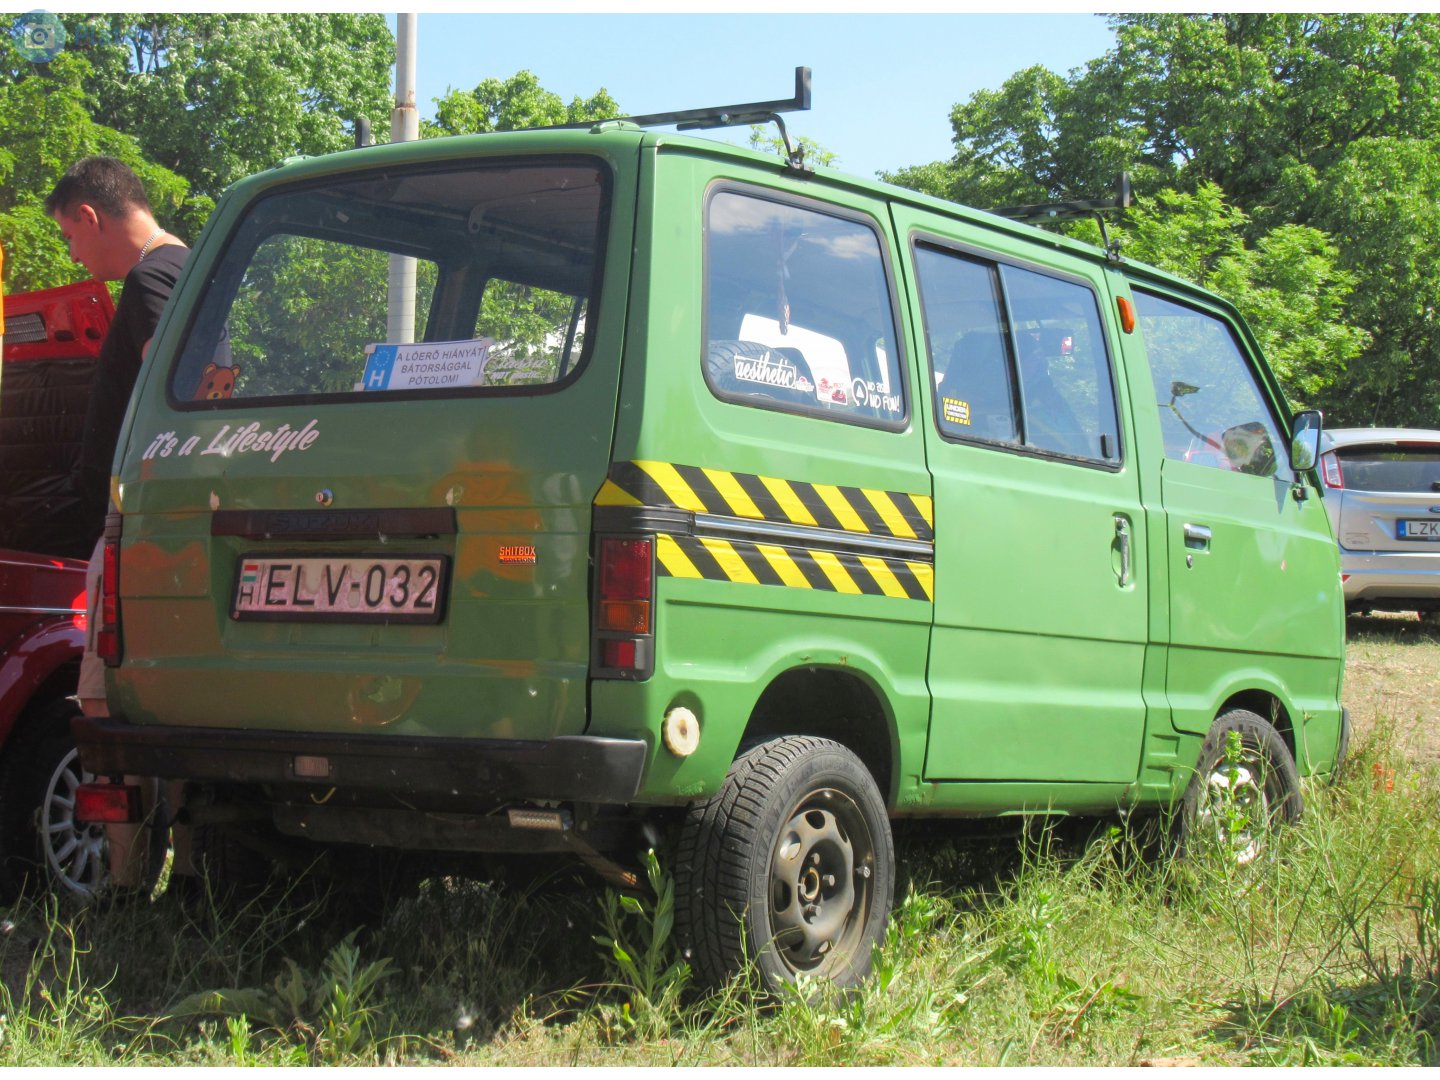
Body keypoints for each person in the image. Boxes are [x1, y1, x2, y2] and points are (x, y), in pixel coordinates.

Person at [45, 157, 197, 900]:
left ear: (89, 217)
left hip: (138, 528)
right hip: (165, 529)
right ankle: (194, 877)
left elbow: (193, 384)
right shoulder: (191, 269)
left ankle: (129, 893)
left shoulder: (151, 278)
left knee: (105, 705)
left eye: (71, 240)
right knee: (178, 705)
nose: (76, 258)